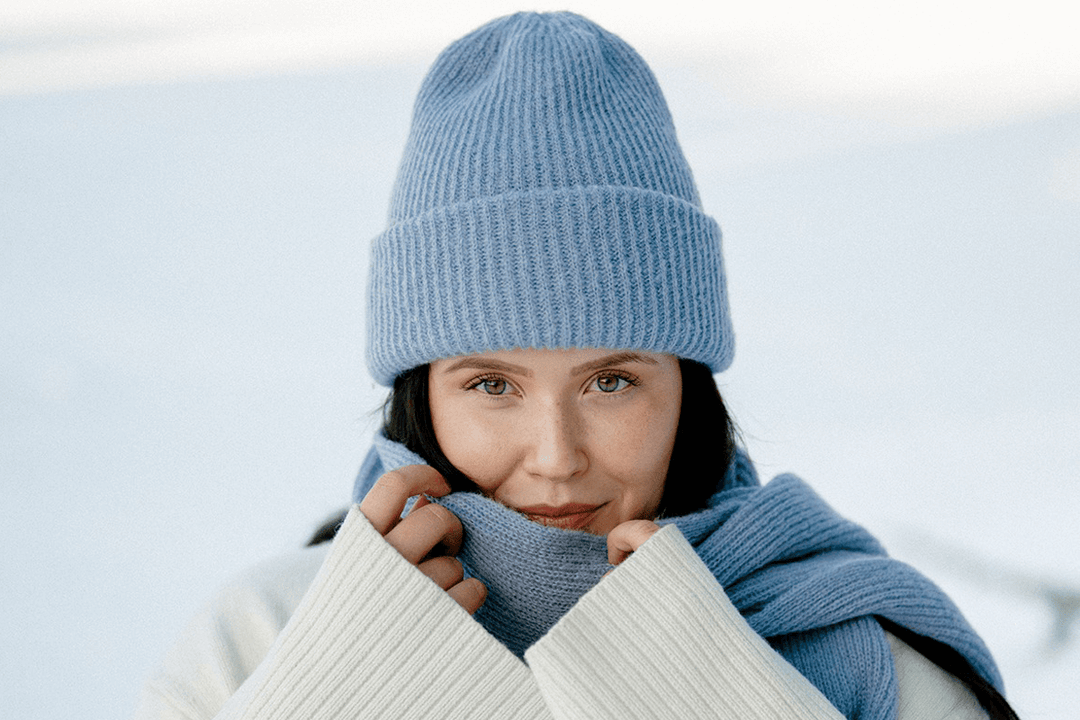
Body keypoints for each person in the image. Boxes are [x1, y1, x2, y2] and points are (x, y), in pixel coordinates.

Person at [134, 11, 1019, 720]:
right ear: (420, 394)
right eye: (492, 385)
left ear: (687, 388)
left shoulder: (863, 656)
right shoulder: (262, 635)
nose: (556, 457)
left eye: (611, 382)